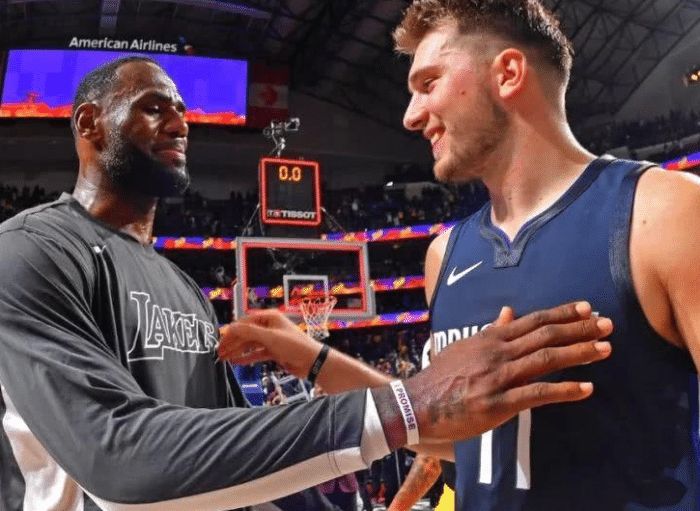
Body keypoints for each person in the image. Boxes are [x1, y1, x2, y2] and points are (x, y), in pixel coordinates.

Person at [0, 55, 613, 511]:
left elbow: (243, 461)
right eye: (154, 107)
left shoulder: (184, 289)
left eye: (183, 110)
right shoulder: (31, 251)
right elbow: (117, 461)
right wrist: (407, 402)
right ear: (90, 124)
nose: (180, 123)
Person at [222, 0, 700, 509]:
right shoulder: (444, 254)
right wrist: (310, 358)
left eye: (429, 84)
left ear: (508, 73)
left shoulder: (664, 210)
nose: (411, 116)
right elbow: (464, 443)